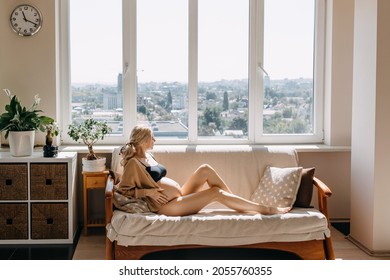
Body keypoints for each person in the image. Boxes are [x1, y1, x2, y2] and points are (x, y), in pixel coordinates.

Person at [115, 125, 291, 216]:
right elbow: (124, 190)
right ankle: (265, 210)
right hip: (165, 207)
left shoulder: (148, 155)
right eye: (152, 137)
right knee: (215, 193)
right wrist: (149, 193)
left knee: (205, 169)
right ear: (144, 140)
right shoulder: (133, 163)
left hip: (177, 196)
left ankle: (239, 204)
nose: (155, 140)